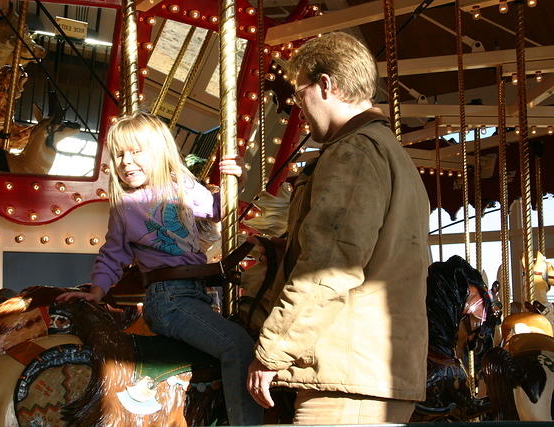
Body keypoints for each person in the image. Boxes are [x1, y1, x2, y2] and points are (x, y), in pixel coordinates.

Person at [246, 31, 430, 424]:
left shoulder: (354, 151)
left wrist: (272, 350)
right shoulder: (390, 153)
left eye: (299, 94)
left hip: (346, 380)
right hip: (370, 371)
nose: (298, 107)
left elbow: (329, 266)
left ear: (325, 85)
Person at [57, 112, 263, 426]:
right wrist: (97, 290)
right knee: (238, 346)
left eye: (135, 151)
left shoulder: (183, 188)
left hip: (202, 294)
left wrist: (237, 180)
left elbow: (219, 209)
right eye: (120, 154)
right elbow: (113, 253)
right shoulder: (126, 206)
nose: (126, 161)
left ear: (159, 152)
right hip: (169, 300)